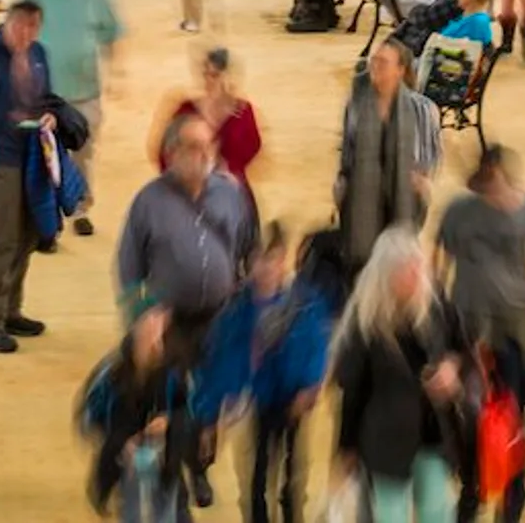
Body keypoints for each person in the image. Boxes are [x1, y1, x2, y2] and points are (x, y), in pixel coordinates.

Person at [118, 114, 256, 510]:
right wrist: (142, 318)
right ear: (173, 152)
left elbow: (247, 246)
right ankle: (173, 469)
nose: (203, 155)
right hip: (170, 322)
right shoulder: (148, 201)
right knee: (175, 401)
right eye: (193, 147)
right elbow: (128, 266)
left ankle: (200, 468)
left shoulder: (230, 194)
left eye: (207, 146)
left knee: (211, 401)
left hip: (219, 316)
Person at [192, 224, 345, 523]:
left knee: (294, 478)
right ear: (249, 263)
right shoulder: (235, 312)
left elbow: (317, 346)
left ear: (283, 259)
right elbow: (217, 364)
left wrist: (310, 386)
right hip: (252, 404)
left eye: (271, 258)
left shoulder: (304, 304)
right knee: (253, 478)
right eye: (259, 259)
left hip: (292, 403)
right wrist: (208, 417)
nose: (265, 267)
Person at [434, 146, 525, 457]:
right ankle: (473, 476)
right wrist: (434, 332)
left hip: (512, 321)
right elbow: (436, 273)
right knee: (467, 406)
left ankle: (510, 484)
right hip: (466, 320)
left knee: (517, 405)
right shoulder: (457, 210)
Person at [332, 228, 470, 523]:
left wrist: (451, 367)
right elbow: (353, 391)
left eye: (417, 266)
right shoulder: (364, 322)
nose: (415, 275)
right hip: (385, 442)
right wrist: (346, 446)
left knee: (437, 513)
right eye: (405, 270)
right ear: (385, 275)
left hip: (434, 433)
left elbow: (462, 348)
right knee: (390, 515)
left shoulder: (437, 306)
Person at [0, 1, 55, 353]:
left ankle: (11, 310)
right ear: (8, 24)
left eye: (34, 29)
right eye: (21, 28)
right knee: (1, 238)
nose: (27, 36)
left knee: (28, 234)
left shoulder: (39, 54)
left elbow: (47, 98)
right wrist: (13, 111)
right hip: (1, 157)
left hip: (34, 154)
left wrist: (48, 115)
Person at [24, 0, 122, 236]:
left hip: (83, 89)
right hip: (46, 92)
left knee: (83, 149)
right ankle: (47, 215)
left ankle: (79, 206)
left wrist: (117, 70)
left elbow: (110, 30)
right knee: (45, 153)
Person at [77, 305, 196, 523]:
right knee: (133, 510)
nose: (154, 344)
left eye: (159, 335)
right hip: (125, 461)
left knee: (168, 508)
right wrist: (120, 443)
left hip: (165, 457)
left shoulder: (173, 369)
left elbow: (188, 407)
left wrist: (167, 420)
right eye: (148, 333)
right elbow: (87, 420)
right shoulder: (111, 375)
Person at [335, 39, 443, 272]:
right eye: (373, 62)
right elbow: (347, 152)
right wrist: (341, 187)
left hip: (403, 200)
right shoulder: (356, 105)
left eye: (383, 63)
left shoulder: (423, 109)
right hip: (361, 202)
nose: (375, 67)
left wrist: (420, 182)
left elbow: (429, 159)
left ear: (400, 69)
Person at [158, 46, 265, 211]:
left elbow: (254, 146)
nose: (208, 80)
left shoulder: (243, 112)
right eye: (205, 74)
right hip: (191, 198)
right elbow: (164, 152)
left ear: (228, 77)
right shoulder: (187, 109)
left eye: (214, 75)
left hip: (232, 198)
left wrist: (232, 170)